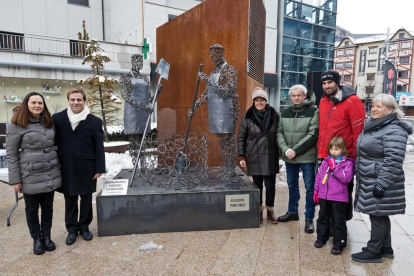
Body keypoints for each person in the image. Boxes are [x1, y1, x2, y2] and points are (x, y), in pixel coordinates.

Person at [351, 94, 411, 263]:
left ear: (390, 109)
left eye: (379, 106)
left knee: (377, 214)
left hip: (380, 180)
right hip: (371, 177)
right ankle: (385, 248)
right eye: (373, 105)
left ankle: (374, 251)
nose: (374, 109)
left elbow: (394, 160)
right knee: (379, 213)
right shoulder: (376, 126)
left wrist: (382, 184)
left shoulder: (394, 130)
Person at [6, 92, 61, 255]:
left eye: (40, 103)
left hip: (50, 170)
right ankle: (36, 239)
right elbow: (11, 153)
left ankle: (47, 237)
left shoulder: (49, 122)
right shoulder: (16, 124)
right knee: (31, 209)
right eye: (33, 102)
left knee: (48, 207)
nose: (37, 105)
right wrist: (15, 179)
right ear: (26, 104)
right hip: (29, 173)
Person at [53, 88, 106, 245]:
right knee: (69, 199)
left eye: (79, 100)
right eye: (73, 99)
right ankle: (71, 229)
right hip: (66, 166)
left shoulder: (94, 121)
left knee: (86, 198)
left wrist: (99, 168)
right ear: (68, 101)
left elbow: (99, 146)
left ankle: (84, 227)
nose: (76, 102)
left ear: (84, 101)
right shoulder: (58, 118)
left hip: (87, 166)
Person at [318, 70, 365, 221]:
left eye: (330, 82)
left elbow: (359, 131)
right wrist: (321, 153)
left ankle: (341, 224)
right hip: (326, 155)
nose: (327, 86)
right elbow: (323, 129)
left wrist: (353, 156)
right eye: (324, 83)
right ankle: (331, 223)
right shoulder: (323, 101)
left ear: (337, 83)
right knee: (326, 191)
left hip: (344, 158)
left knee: (342, 194)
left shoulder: (353, 101)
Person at [191, 43, 240, 180]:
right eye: (211, 54)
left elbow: (226, 92)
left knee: (228, 140)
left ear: (222, 53)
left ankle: (231, 168)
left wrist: (206, 80)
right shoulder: (213, 72)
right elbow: (207, 93)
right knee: (222, 141)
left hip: (228, 109)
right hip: (217, 111)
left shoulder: (230, 70)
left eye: (216, 54)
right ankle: (226, 166)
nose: (213, 57)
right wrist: (194, 107)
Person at [276, 84, 319, 233]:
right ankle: (292, 212)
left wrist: (295, 150)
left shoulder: (313, 111)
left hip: (307, 156)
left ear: (304, 96)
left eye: (299, 95)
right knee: (292, 185)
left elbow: (313, 134)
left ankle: (309, 218)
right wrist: (285, 149)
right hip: (289, 156)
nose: (296, 98)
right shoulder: (285, 112)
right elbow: (279, 132)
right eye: (293, 96)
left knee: (310, 188)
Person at [238, 88, 279, 224]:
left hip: (270, 156)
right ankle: (259, 210)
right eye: (257, 100)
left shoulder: (274, 115)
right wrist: (241, 156)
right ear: (253, 102)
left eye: (262, 100)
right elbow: (241, 138)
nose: (259, 103)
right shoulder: (247, 117)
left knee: (271, 186)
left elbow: (279, 135)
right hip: (254, 156)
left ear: (266, 101)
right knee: (257, 186)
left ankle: (270, 210)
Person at [314, 137, 355, 255]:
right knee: (322, 217)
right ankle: (322, 237)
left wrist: (335, 168)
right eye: (331, 149)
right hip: (324, 196)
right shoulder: (326, 161)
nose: (333, 152)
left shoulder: (347, 163)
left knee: (338, 220)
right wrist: (316, 191)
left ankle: (339, 242)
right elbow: (319, 176)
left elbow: (346, 178)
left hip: (338, 197)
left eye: (336, 149)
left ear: (343, 149)